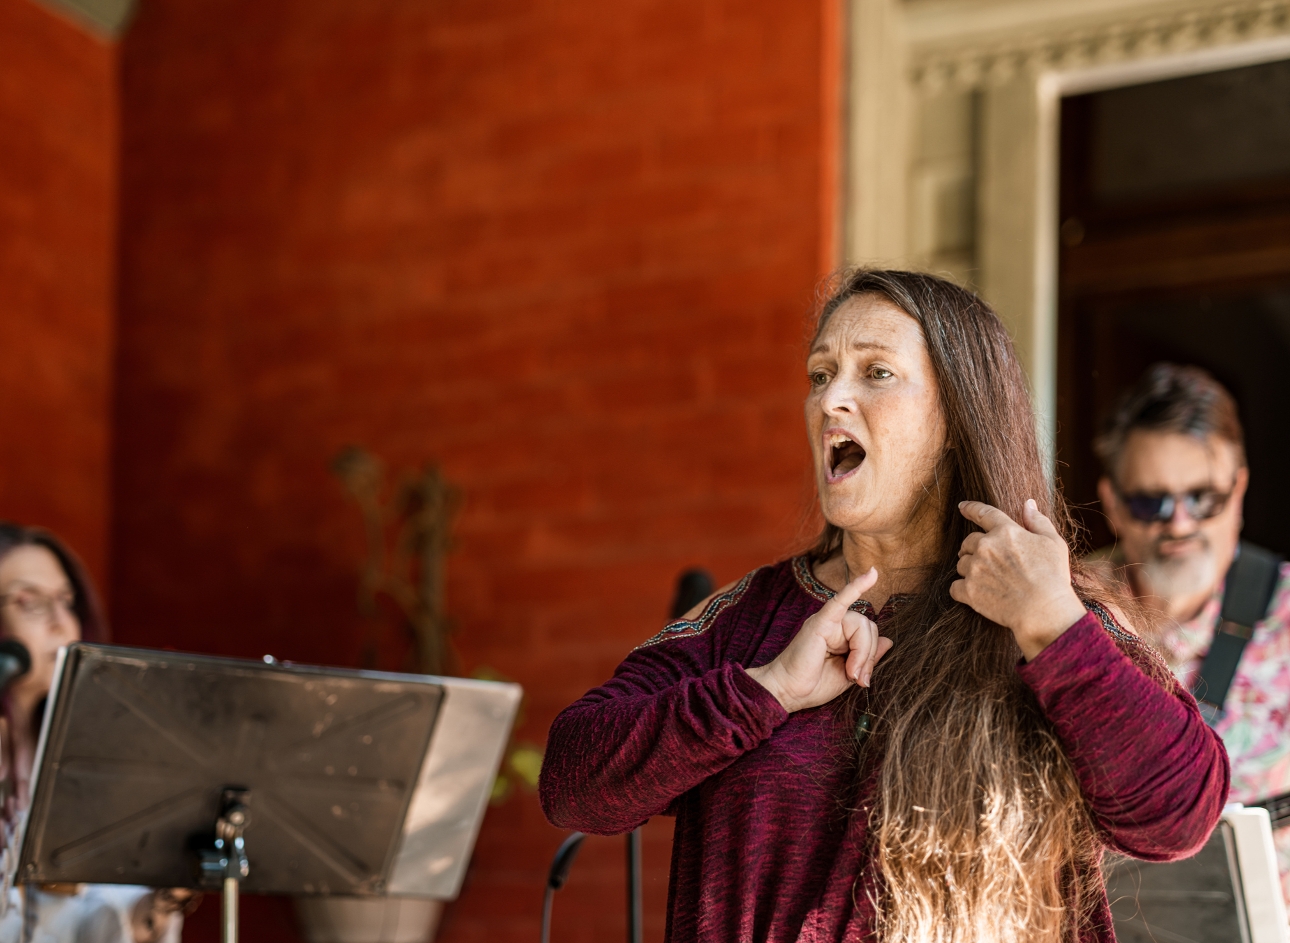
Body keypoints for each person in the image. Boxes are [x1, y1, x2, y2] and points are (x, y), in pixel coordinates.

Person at [539, 270, 1228, 943]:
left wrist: (1052, 624)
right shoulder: (748, 620)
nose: (830, 399)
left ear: (958, 416)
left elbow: (1180, 814)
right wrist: (768, 689)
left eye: (876, 372)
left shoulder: (1050, 614)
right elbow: (572, 782)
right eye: (819, 373)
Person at [1092, 362, 1290, 897]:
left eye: (1204, 499)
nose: (1179, 524)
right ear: (1112, 503)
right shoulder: (1064, 607)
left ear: (1240, 488)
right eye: (1150, 502)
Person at [0, 523, 193, 943]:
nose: (60, 622)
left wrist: (165, 897)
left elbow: (98, 926)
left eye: (66, 602)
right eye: (28, 602)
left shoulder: (94, 760)